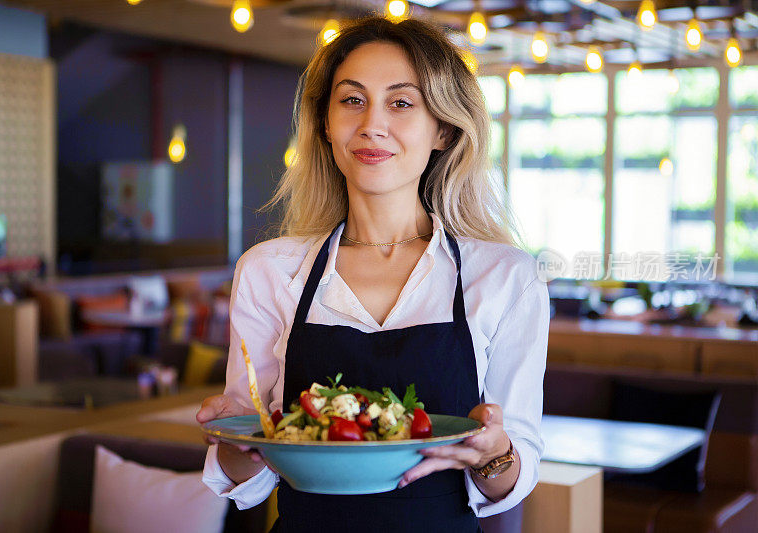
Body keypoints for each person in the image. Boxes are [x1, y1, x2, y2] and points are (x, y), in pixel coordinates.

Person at [196, 15, 549, 532]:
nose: (371, 125)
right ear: (325, 122)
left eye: (401, 103)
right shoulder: (269, 271)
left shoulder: (504, 277)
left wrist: (492, 453)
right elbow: (246, 479)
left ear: (444, 129)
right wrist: (236, 438)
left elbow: (507, 483)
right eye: (352, 100)